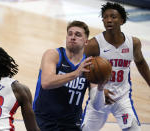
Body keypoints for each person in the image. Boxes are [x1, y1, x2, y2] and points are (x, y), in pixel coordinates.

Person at [82, 2, 150, 131]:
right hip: (99, 96)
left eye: (113, 17)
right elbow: (82, 71)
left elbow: (140, 62)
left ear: (122, 21)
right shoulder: (93, 45)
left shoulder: (133, 43)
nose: (109, 20)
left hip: (122, 98)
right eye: (105, 17)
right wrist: (98, 89)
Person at [32, 20, 109, 131]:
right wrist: (75, 73)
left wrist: (101, 88)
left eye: (78, 35)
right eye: (70, 34)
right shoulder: (54, 55)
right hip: (43, 119)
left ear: (86, 41)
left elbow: (97, 105)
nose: (73, 37)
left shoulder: (90, 65)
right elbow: (46, 83)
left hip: (71, 123)